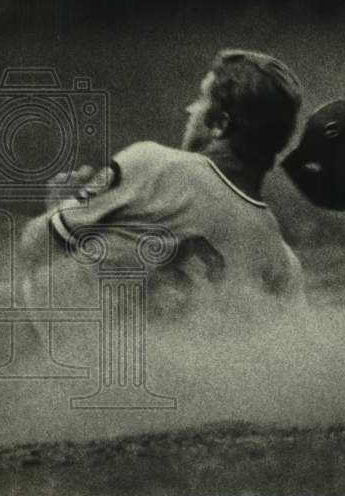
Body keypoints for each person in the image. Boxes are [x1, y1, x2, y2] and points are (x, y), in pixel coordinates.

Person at [19, 49, 305, 321]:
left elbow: (34, 246)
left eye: (201, 100)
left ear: (219, 123)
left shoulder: (153, 164)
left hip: (51, 345)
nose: (188, 110)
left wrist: (59, 206)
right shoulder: (282, 260)